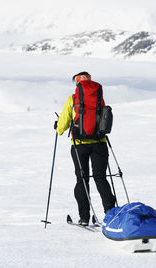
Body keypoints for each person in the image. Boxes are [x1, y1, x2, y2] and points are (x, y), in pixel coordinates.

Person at [55, 72, 115, 226]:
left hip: (79, 145)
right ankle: (111, 214)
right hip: (99, 142)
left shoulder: (73, 99)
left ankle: (84, 218)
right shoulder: (98, 97)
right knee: (100, 177)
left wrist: (58, 128)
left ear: (77, 83)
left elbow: (62, 124)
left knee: (82, 179)